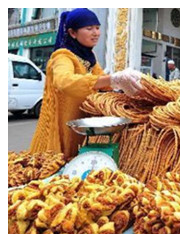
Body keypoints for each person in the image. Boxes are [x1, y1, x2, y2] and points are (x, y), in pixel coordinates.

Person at [29, 8, 136, 159]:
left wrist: (124, 82)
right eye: (89, 28)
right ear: (73, 33)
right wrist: (112, 79)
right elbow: (64, 82)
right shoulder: (62, 57)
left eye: (97, 28)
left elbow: (102, 80)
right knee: (55, 165)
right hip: (61, 126)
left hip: (79, 122)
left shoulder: (88, 57)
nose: (96, 33)